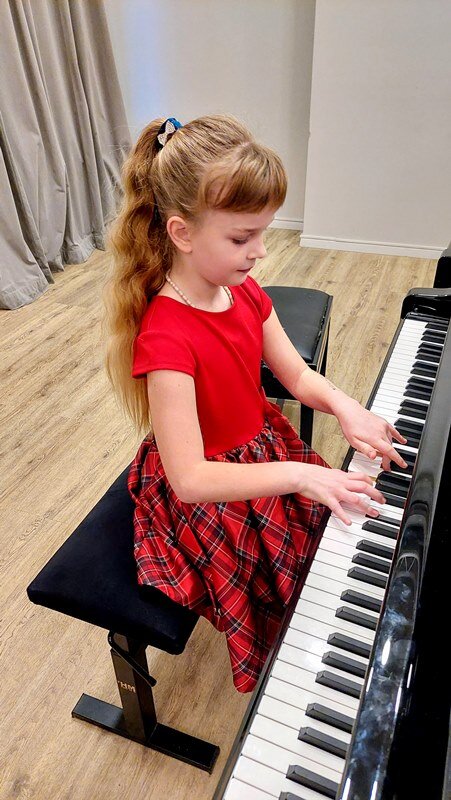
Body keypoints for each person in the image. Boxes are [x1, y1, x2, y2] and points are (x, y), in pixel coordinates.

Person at [102, 114, 407, 693]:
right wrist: (298, 475)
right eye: (242, 238)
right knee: (291, 579)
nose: (260, 252)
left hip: (259, 446)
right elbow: (191, 479)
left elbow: (297, 375)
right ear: (181, 233)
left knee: (329, 532)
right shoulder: (166, 339)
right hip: (209, 488)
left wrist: (346, 407)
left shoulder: (240, 290)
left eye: (262, 234)